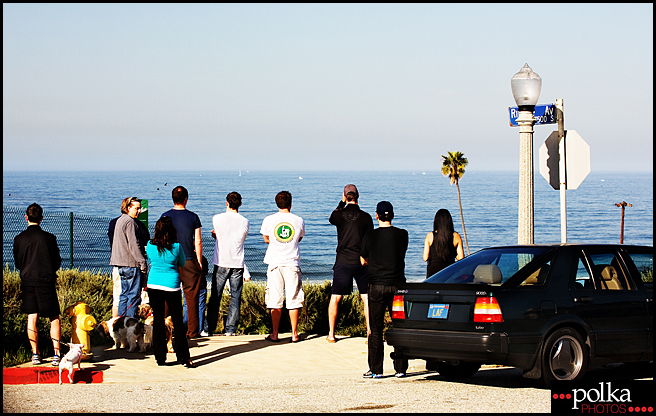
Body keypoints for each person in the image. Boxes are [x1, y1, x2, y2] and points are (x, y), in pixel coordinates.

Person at [360, 201, 408, 378]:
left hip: (376, 285)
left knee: (376, 328)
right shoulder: (403, 235)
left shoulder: (370, 236)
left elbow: (363, 260)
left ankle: (376, 369)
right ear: (393, 215)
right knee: (399, 326)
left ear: (377, 216)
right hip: (398, 286)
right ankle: (401, 368)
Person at [13, 203, 63, 366]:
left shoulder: (19, 238)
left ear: (26, 217)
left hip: (28, 280)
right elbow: (57, 261)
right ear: (41, 218)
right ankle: (57, 353)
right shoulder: (49, 238)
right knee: (53, 317)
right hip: (46, 280)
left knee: (32, 316)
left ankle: (36, 353)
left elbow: (18, 262)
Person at [145, 216, 195, 368]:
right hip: (172, 285)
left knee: (158, 321)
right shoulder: (176, 247)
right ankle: (184, 357)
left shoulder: (150, 245)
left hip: (154, 284)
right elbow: (181, 262)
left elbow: (150, 260)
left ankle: (160, 357)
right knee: (178, 322)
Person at [327, 184, 373, 343]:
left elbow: (331, 217)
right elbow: (369, 240)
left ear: (345, 196)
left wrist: (341, 203)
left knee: (335, 297)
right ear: (358, 195)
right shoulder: (366, 217)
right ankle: (369, 332)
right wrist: (365, 256)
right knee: (366, 298)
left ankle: (331, 334)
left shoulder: (339, 215)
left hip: (343, 261)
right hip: (362, 261)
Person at [260, 191, 305, 343]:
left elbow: (267, 239)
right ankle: (294, 333)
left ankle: (274, 333)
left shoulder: (268, 220)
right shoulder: (298, 220)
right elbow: (299, 238)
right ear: (290, 203)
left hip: (274, 263)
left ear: (276, 203)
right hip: (292, 263)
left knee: (275, 299)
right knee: (294, 299)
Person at [161, 186, 203, 339]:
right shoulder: (193, 217)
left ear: (173, 199)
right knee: (191, 297)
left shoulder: (165, 216)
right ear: (186, 199)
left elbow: (160, 240)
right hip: (188, 260)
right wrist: (199, 262)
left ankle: (163, 329)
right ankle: (192, 331)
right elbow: (197, 241)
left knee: (167, 295)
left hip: (169, 260)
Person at [207, 191, 250, 336]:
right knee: (235, 297)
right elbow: (239, 240)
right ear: (240, 204)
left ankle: (209, 328)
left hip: (221, 261)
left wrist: (216, 237)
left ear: (226, 203)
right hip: (237, 263)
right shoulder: (245, 221)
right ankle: (230, 329)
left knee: (215, 296)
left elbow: (221, 236)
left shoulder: (217, 218)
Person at [108, 198, 150, 318]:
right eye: (136, 208)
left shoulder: (120, 221)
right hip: (131, 265)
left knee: (123, 295)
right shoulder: (131, 222)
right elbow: (134, 244)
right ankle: (131, 323)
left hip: (120, 264)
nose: (139, 211)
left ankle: (122, 323)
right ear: (128, 208)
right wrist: (142, 263)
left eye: (139, 208)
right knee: (133, 296)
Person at [423, 209, 465, 277]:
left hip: (433, 275)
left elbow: (425, 258)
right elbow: (461, 258)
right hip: (449, 273)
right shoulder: (456, 236)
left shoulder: (430, 235)